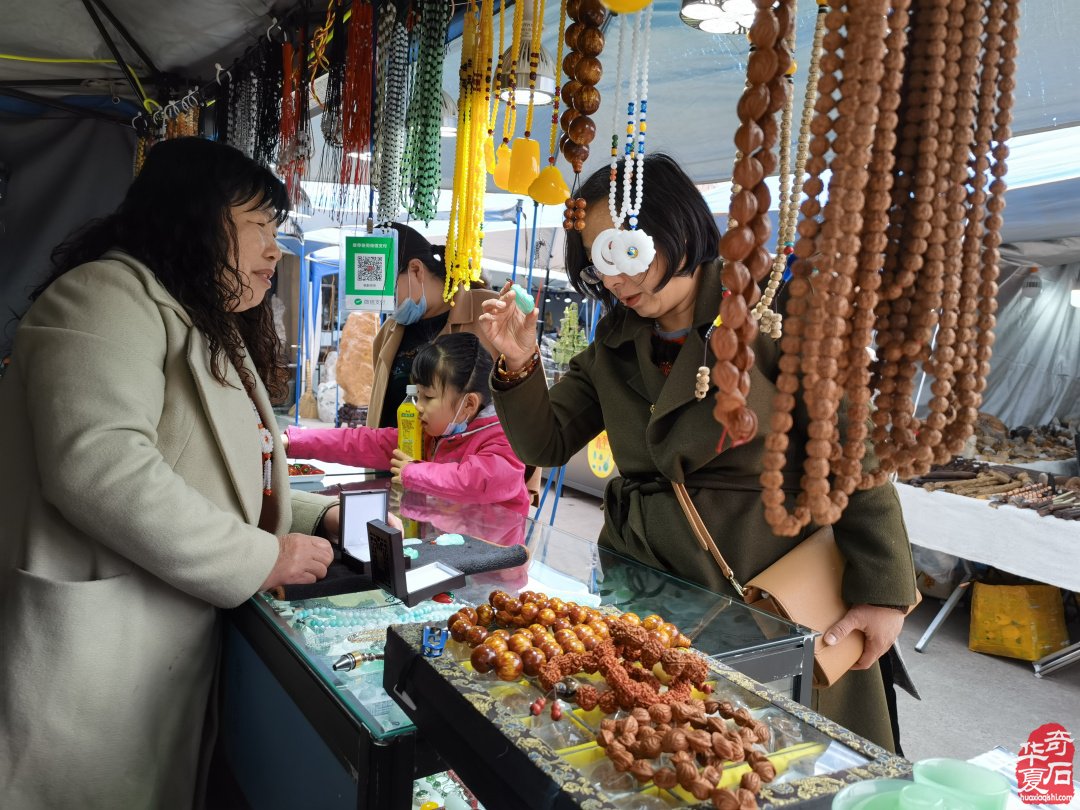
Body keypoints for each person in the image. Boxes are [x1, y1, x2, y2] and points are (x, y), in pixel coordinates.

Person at [479, 153, 919, 752]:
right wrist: (519, 361)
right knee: (665, 756)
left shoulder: (771, 311)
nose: (613, 281)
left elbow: (854, 447)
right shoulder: (614, 343)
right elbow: (545, 442)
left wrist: (884, 591)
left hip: (764, 590)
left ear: (676, 226)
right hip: (646, 590)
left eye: (624, 252)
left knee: (783, 758)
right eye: (596, 264)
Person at [0, 137, 337, 809]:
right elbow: (101, 468)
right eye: (261, 228)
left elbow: (221, 474)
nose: (276, 250)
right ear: (198, 218)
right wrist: (262, 556)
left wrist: (311, 515)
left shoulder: (200, 322)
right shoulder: (104, 295)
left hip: (156, 656)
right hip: (94, 660)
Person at [287, 333, 531, 516]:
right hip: (449, 552)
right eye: (418, 396)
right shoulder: (429, 433)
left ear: (468, 404)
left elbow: (475, 480)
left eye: (429, 397)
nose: (418, 407)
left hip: (493, 568)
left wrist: (412, 472)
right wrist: (293, 442)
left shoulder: (505, 440)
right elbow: (364, 442)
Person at [367, 222, 498, 429]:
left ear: (416, 270)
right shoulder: (389, 332)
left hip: (460, 459)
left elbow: (521, 399)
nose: (387, 306)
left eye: (389, 292)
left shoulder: (488, 312)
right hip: (392, 455)